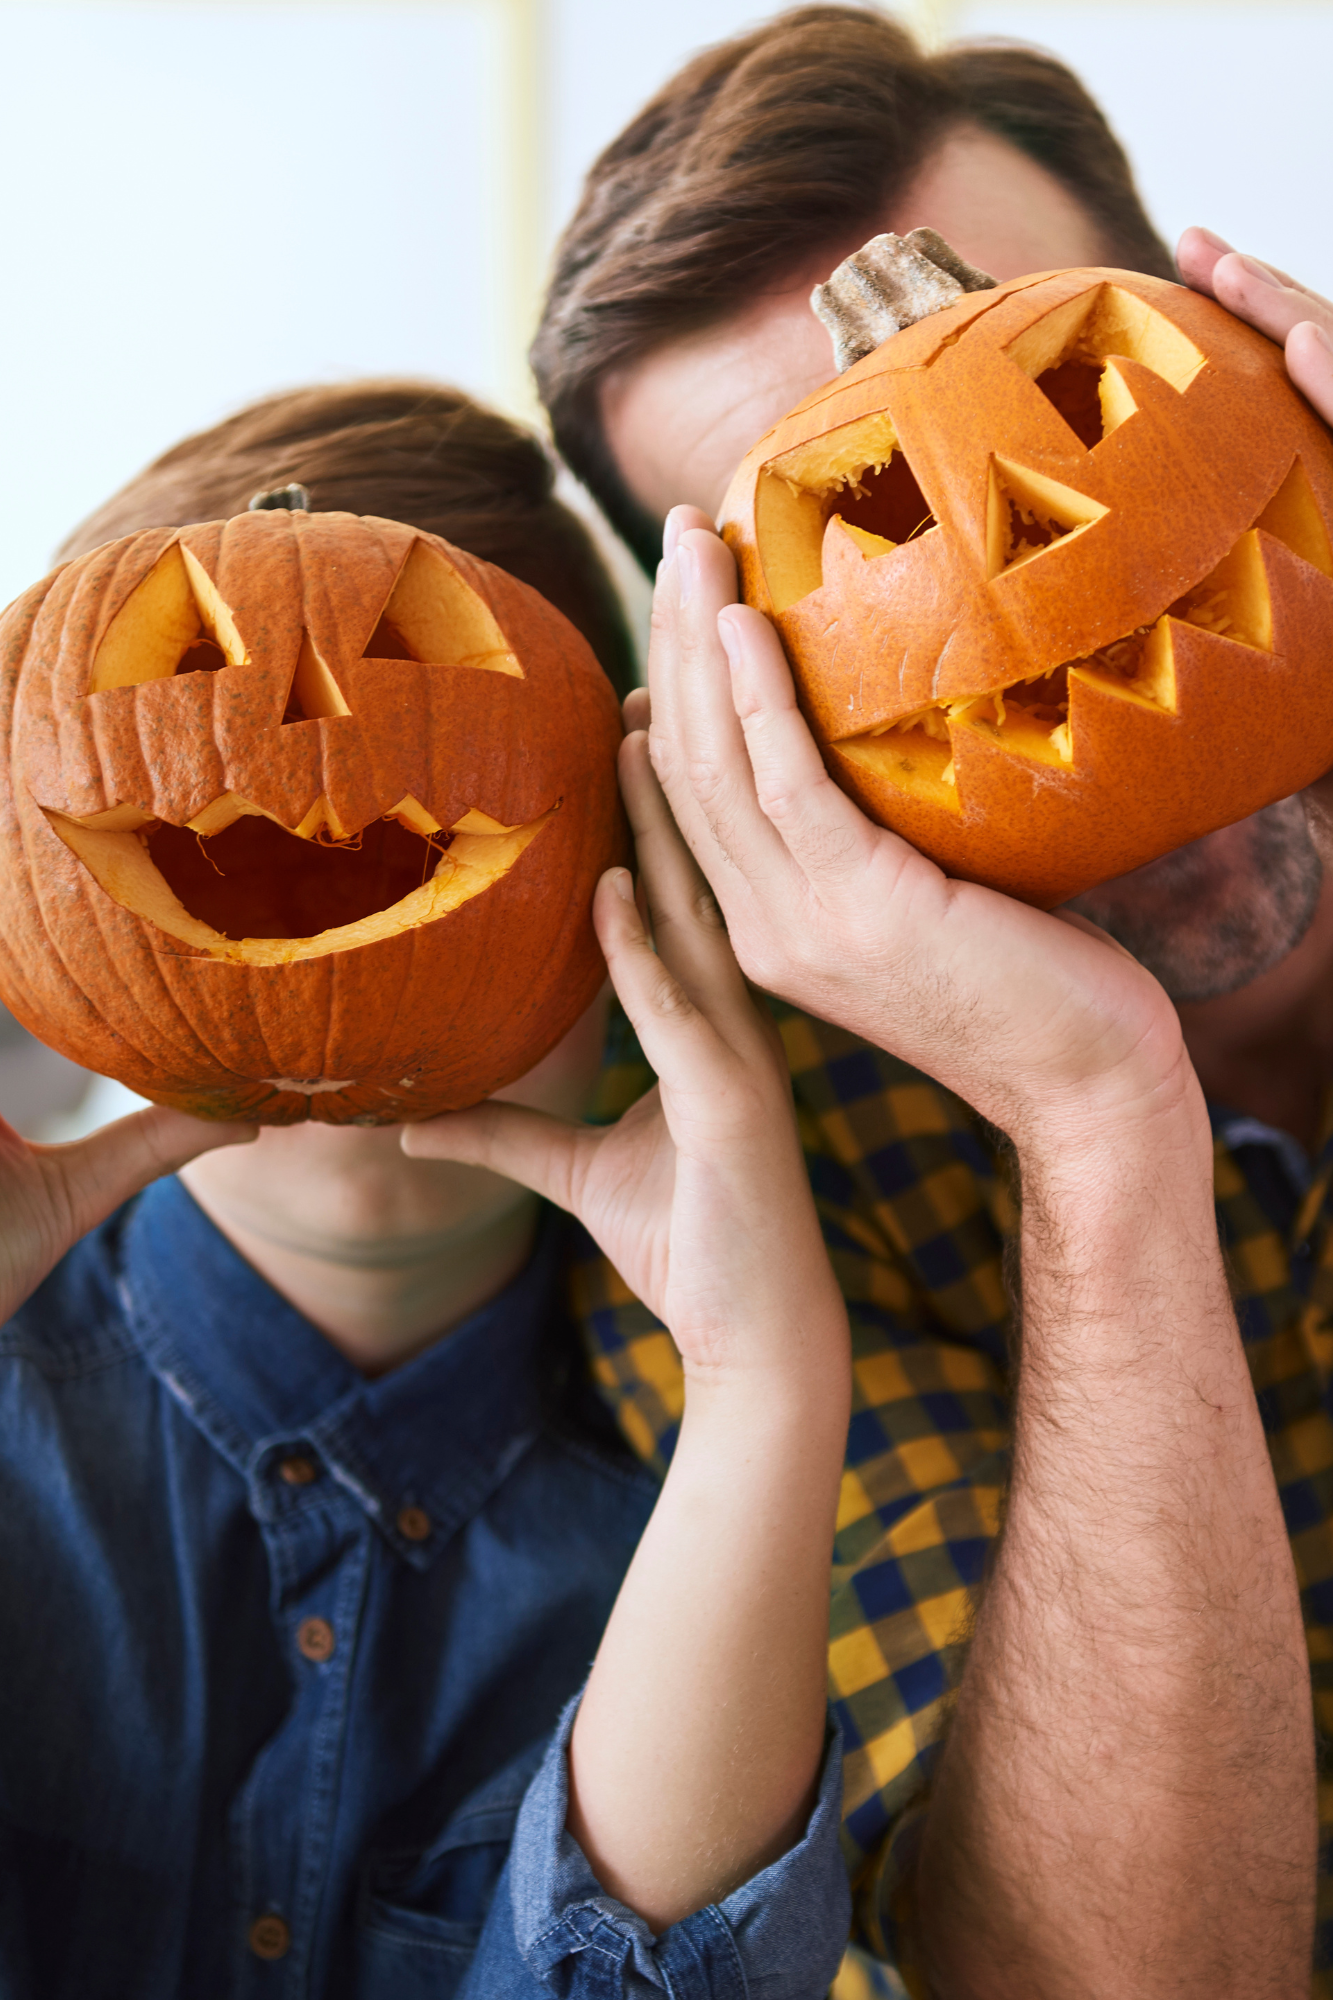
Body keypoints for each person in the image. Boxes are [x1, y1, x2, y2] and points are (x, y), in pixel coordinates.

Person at [531, 6, 1333, 1994]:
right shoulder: (743, 1197)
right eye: (860, 517)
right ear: (727, 706)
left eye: (1064, 382)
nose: (1043, 581)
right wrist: (1095, 1123)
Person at [0, 381, 856, 1997]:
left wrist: (762, 1391)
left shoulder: (738, 1501)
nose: (348, 996)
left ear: (651, 881)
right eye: (238, 855)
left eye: (446, 873)